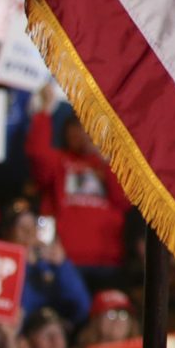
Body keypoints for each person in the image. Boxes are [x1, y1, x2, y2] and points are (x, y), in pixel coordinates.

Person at [25, 89, 129, 292]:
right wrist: (44, 112)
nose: (80, 133)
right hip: (64, 259)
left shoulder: (115, 165)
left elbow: (124, 200)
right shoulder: (60, 161)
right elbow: (37, 155)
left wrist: (106, 160)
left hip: (106, 262)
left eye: (87, 127)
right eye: (75, 127)